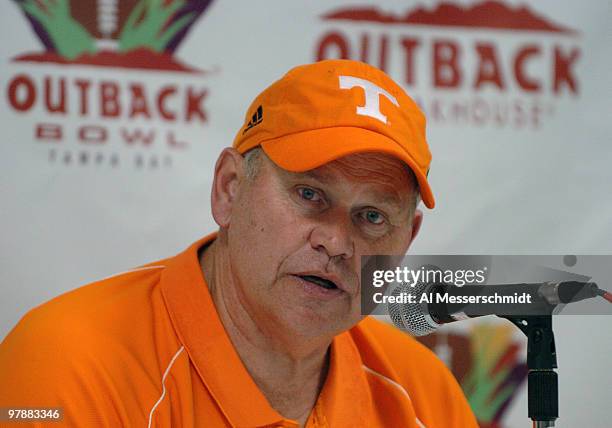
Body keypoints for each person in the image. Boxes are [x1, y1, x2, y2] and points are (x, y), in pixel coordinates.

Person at [0, 59, 478, 427]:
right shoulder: (70, 362)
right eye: (310, 194)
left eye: (371, 216)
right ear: (229, 188)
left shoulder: (424, 396)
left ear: (407, 240)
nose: (336, 242)